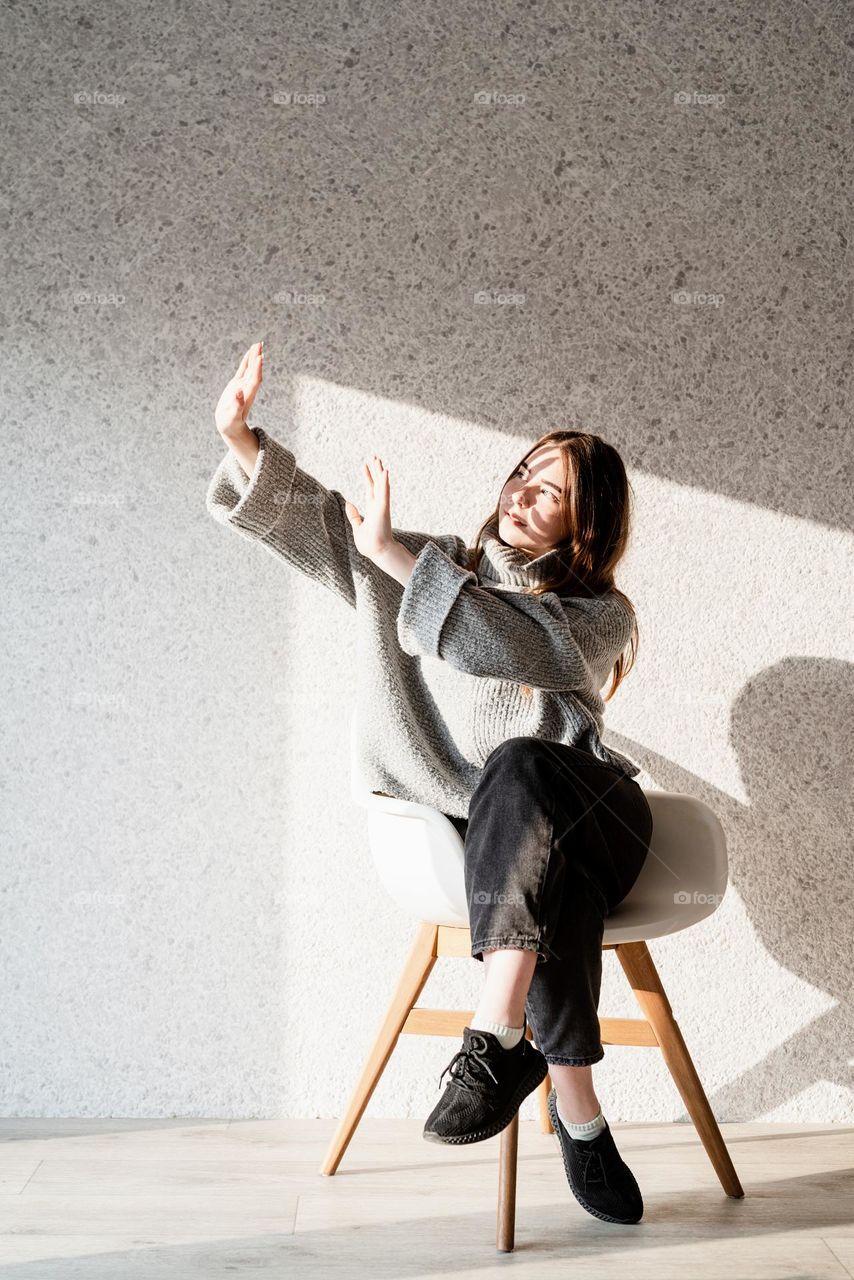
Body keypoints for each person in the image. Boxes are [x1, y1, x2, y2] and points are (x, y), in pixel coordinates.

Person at [207, 341, 654, 1225]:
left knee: (523, 768)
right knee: (536, 866)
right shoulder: (425, 560)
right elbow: (324, 527)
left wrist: (397, 557)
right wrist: (240, 436)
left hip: (606, 819)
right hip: (505, 850)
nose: (520, 492)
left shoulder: (601, 616)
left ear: (584, 524)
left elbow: (509, 643)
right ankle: (579, 1106)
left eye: (550, 490)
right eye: (522, 473)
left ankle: (490, 1035)